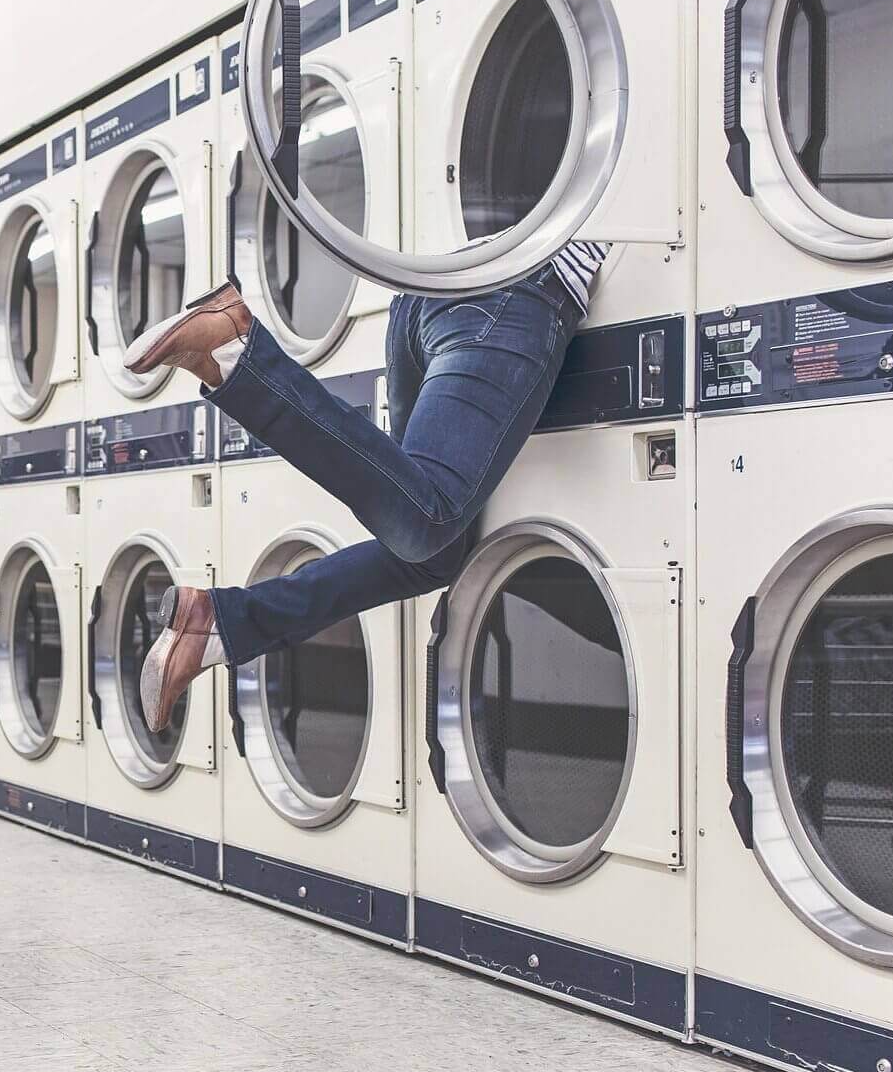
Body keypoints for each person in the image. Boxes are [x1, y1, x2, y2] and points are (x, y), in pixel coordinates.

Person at [122, 242, 608, 734]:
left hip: (431, 296)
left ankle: (220, 624)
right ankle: (235, 350)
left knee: (427, 554)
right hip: (516, 298)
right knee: (425, 521)